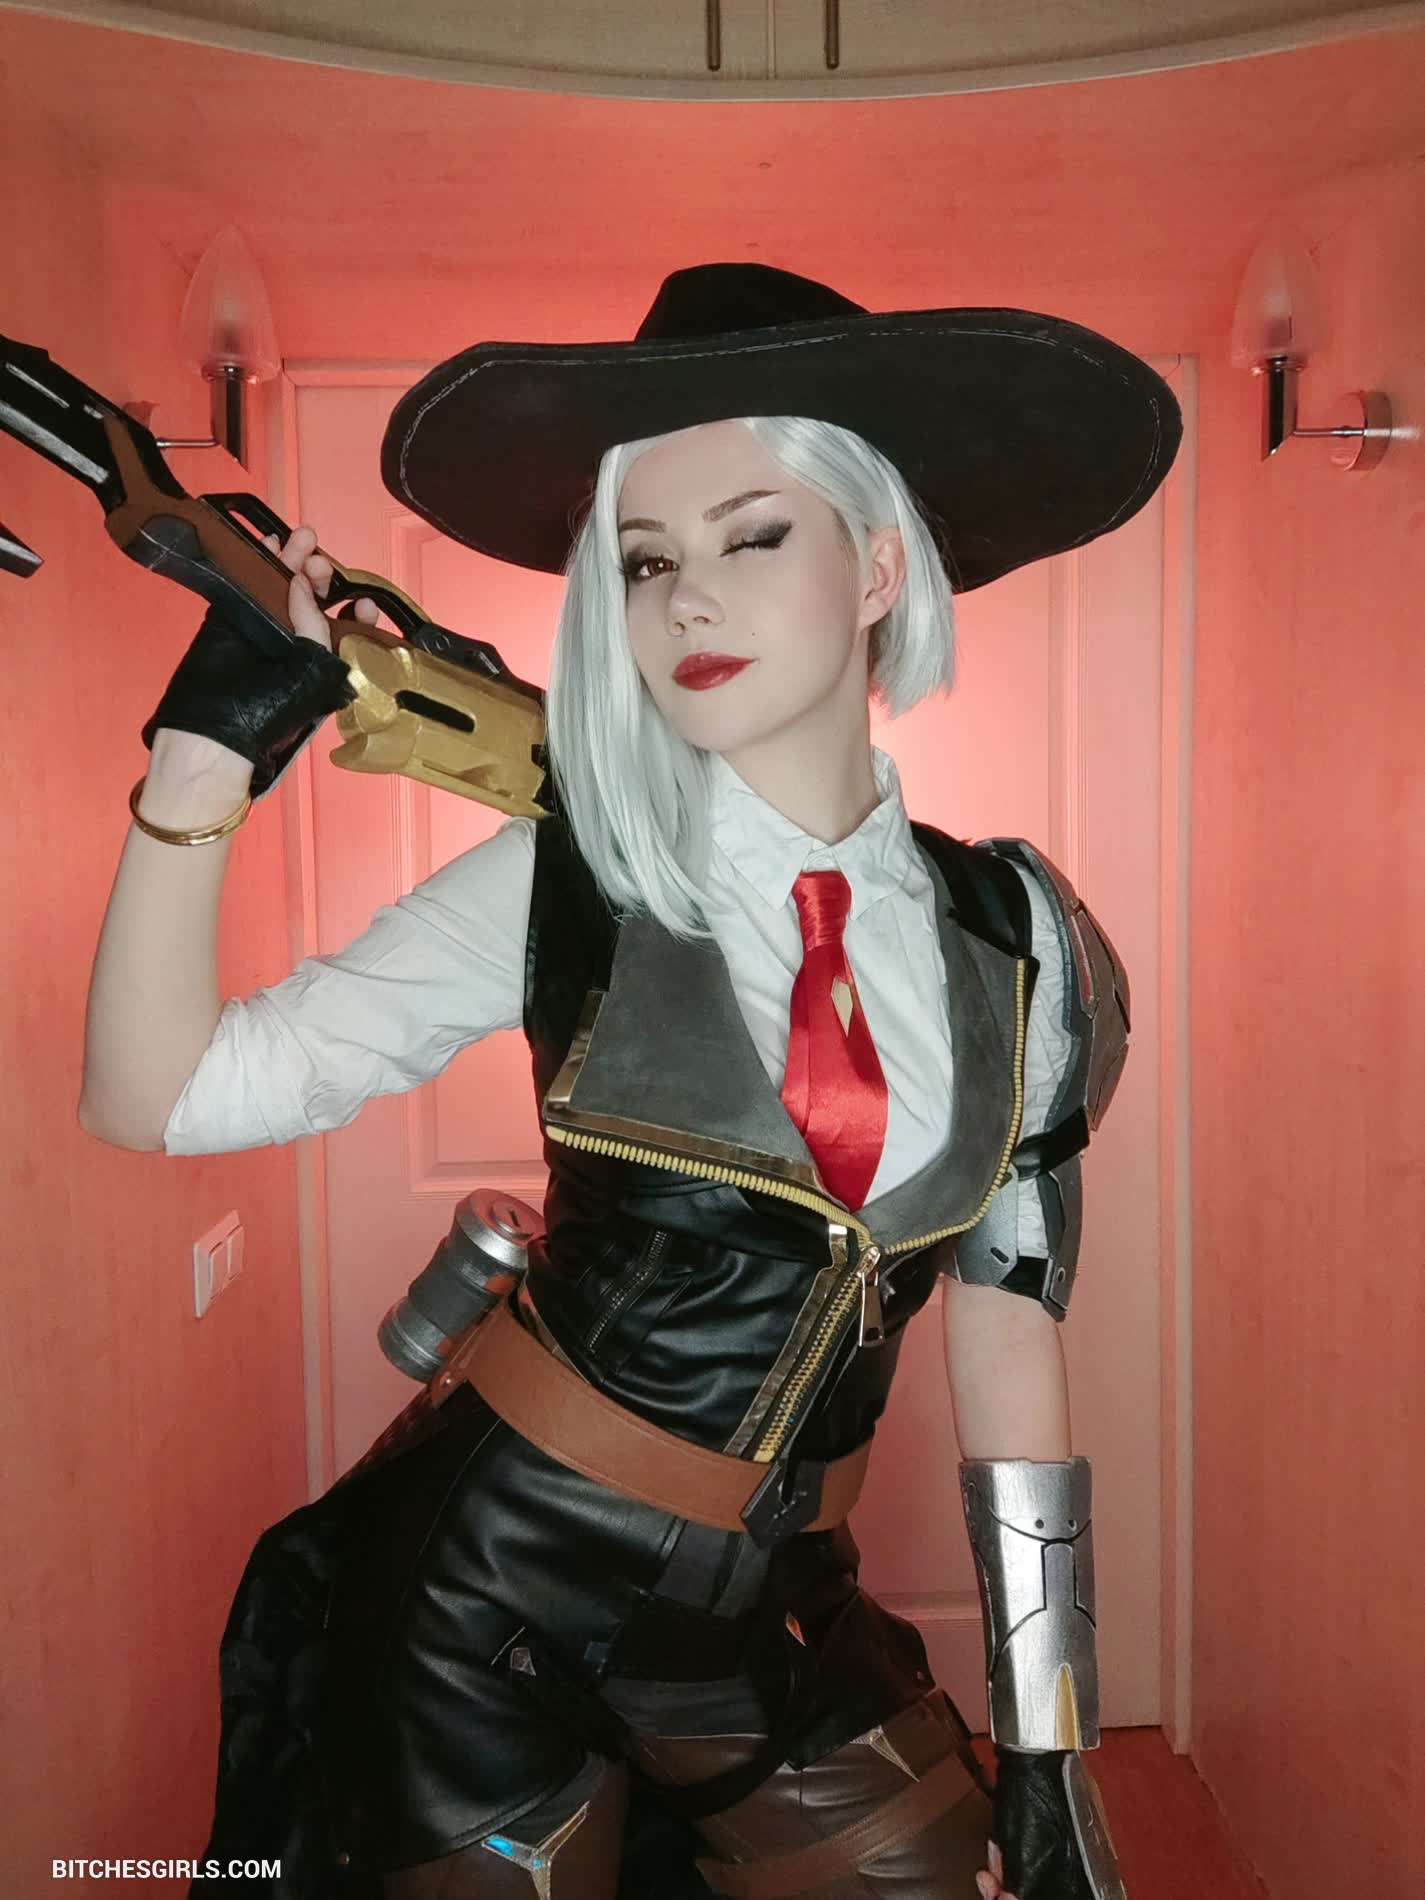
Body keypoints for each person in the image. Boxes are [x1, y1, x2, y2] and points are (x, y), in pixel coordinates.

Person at [80, 263, 1181, 1900]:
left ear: (879, 565)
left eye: (753, 537)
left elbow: (1009, 1320)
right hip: (482, 1597)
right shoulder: (559, 882)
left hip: (767, 1611)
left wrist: (1049, 1746)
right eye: (646, 559)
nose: (684, 604)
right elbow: (162, 1096)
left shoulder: (1022, 940)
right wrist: (205, 755)